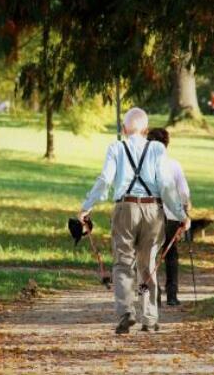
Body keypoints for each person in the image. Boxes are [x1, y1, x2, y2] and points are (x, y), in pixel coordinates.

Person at [78, 107, 190, 334]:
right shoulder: (157, 149)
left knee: (122, 263)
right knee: (148, 264)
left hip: (124, 208)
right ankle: (149, 318)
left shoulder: (116, 148)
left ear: (123, 129)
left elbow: (105, 180)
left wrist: (87, 207)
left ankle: (126, 312)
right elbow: (167, 186)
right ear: (146, 130)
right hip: (152, 210)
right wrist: (181, 215)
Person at [147, 128, 190, 306]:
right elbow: (184, 192)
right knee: (171, 254)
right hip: (172, 215)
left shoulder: (144, 166)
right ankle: (172, 295)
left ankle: (153, 294)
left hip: (150, 215)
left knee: (151, 254)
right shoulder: (174, 165)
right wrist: (186, 213)